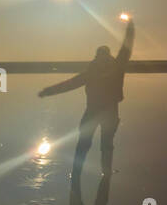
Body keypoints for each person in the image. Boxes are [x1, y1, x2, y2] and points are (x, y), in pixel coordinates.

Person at [38, 18, 135, 175]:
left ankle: (104, 173)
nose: (102, 59)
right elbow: (71, 83)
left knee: (103, 144)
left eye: (103, 56)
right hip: (95, 111)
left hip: (107, 112)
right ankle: (80, 172)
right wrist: (48, 91)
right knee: (88, 143)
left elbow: (126, 48)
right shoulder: (93, 72)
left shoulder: (115, 68)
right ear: (98, 57)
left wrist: (130, 26)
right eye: (100, 56)